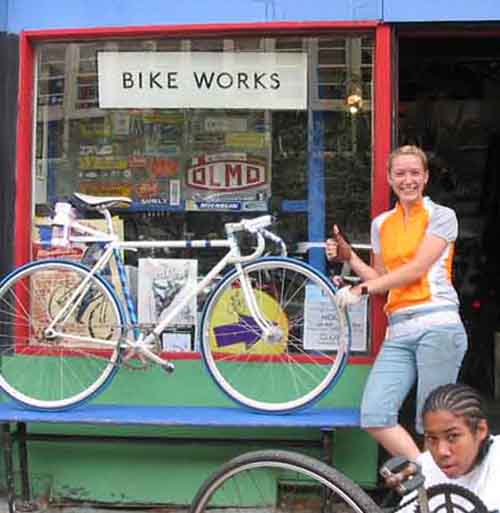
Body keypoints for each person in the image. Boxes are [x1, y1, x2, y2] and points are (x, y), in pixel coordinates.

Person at [325, 144, 468, 460]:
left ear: (426, 177)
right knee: (374, 415)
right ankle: (426, 474)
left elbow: (416, 269)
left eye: (415, 173)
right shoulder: (381, 224)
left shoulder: (442, 216)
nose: (408, 180)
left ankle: (440, 486)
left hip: (438, 326)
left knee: (432, 423)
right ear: (390, 178)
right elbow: (381, 279)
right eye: (400, 173)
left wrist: (361, 290)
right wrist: (350, 259)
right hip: (399, 331)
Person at [389, 383, 500, 512]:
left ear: (481, 430)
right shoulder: (426, 467)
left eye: (452, 437)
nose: (441, 451)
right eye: (432, 438)